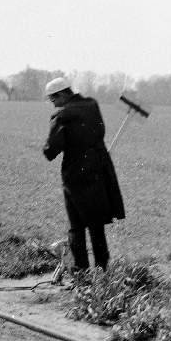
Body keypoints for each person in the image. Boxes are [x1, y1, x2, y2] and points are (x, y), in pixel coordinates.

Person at [42, 76, 124, 278]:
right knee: (97, 224)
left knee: (76, 226)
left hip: (75, 175)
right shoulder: (92, 105)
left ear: (61, 95)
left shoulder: (61, 116)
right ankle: (103, 274)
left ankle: (81, 276)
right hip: (100, 169)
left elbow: (51, 150)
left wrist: (47, 148)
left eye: (53, 99)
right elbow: (100, 131)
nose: (53, 104)